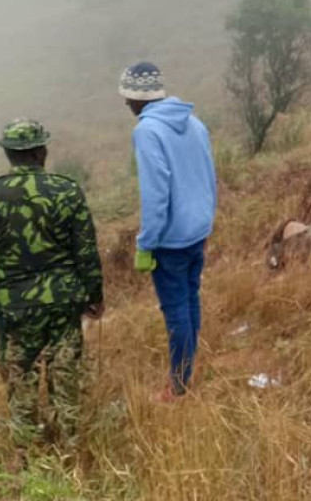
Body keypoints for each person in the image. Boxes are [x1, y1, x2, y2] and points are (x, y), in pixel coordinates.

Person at [0, 120, 103, 452]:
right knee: (65, 376)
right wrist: (94, 295)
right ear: (41, 151)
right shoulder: (67, 190)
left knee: (20, 380)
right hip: (64, 301)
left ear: (8, 154)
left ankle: (28, 456)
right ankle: (70, 453)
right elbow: (86, 251)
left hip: (15, 307)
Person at [119, 62, 216, 401]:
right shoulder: (194, 122)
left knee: (176, 311)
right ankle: (187, 369)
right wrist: (206, 222)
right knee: (190, 300)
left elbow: (156, 193)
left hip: (170, 240)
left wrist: (146, 243)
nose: (126, 104)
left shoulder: (147, 132)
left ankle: (178, 386)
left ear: (138, 97)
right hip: (197, 231)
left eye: (127, 98)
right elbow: (209, 176)